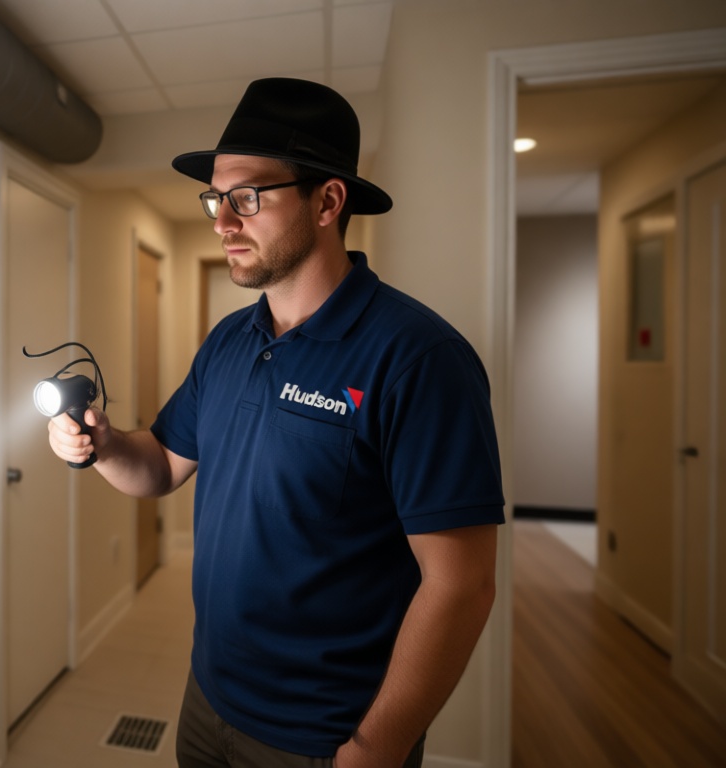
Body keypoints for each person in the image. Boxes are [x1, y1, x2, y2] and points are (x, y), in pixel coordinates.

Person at [46, 78, 505, 768]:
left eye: (248, 197)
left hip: (324, 734)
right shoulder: (231, 340)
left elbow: (461, 584)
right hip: (210, 699)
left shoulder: (418, 358)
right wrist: (102, 444)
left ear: (328, 201)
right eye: (215, 198)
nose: (222, 221)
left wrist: (375, 749)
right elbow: (162, 466)